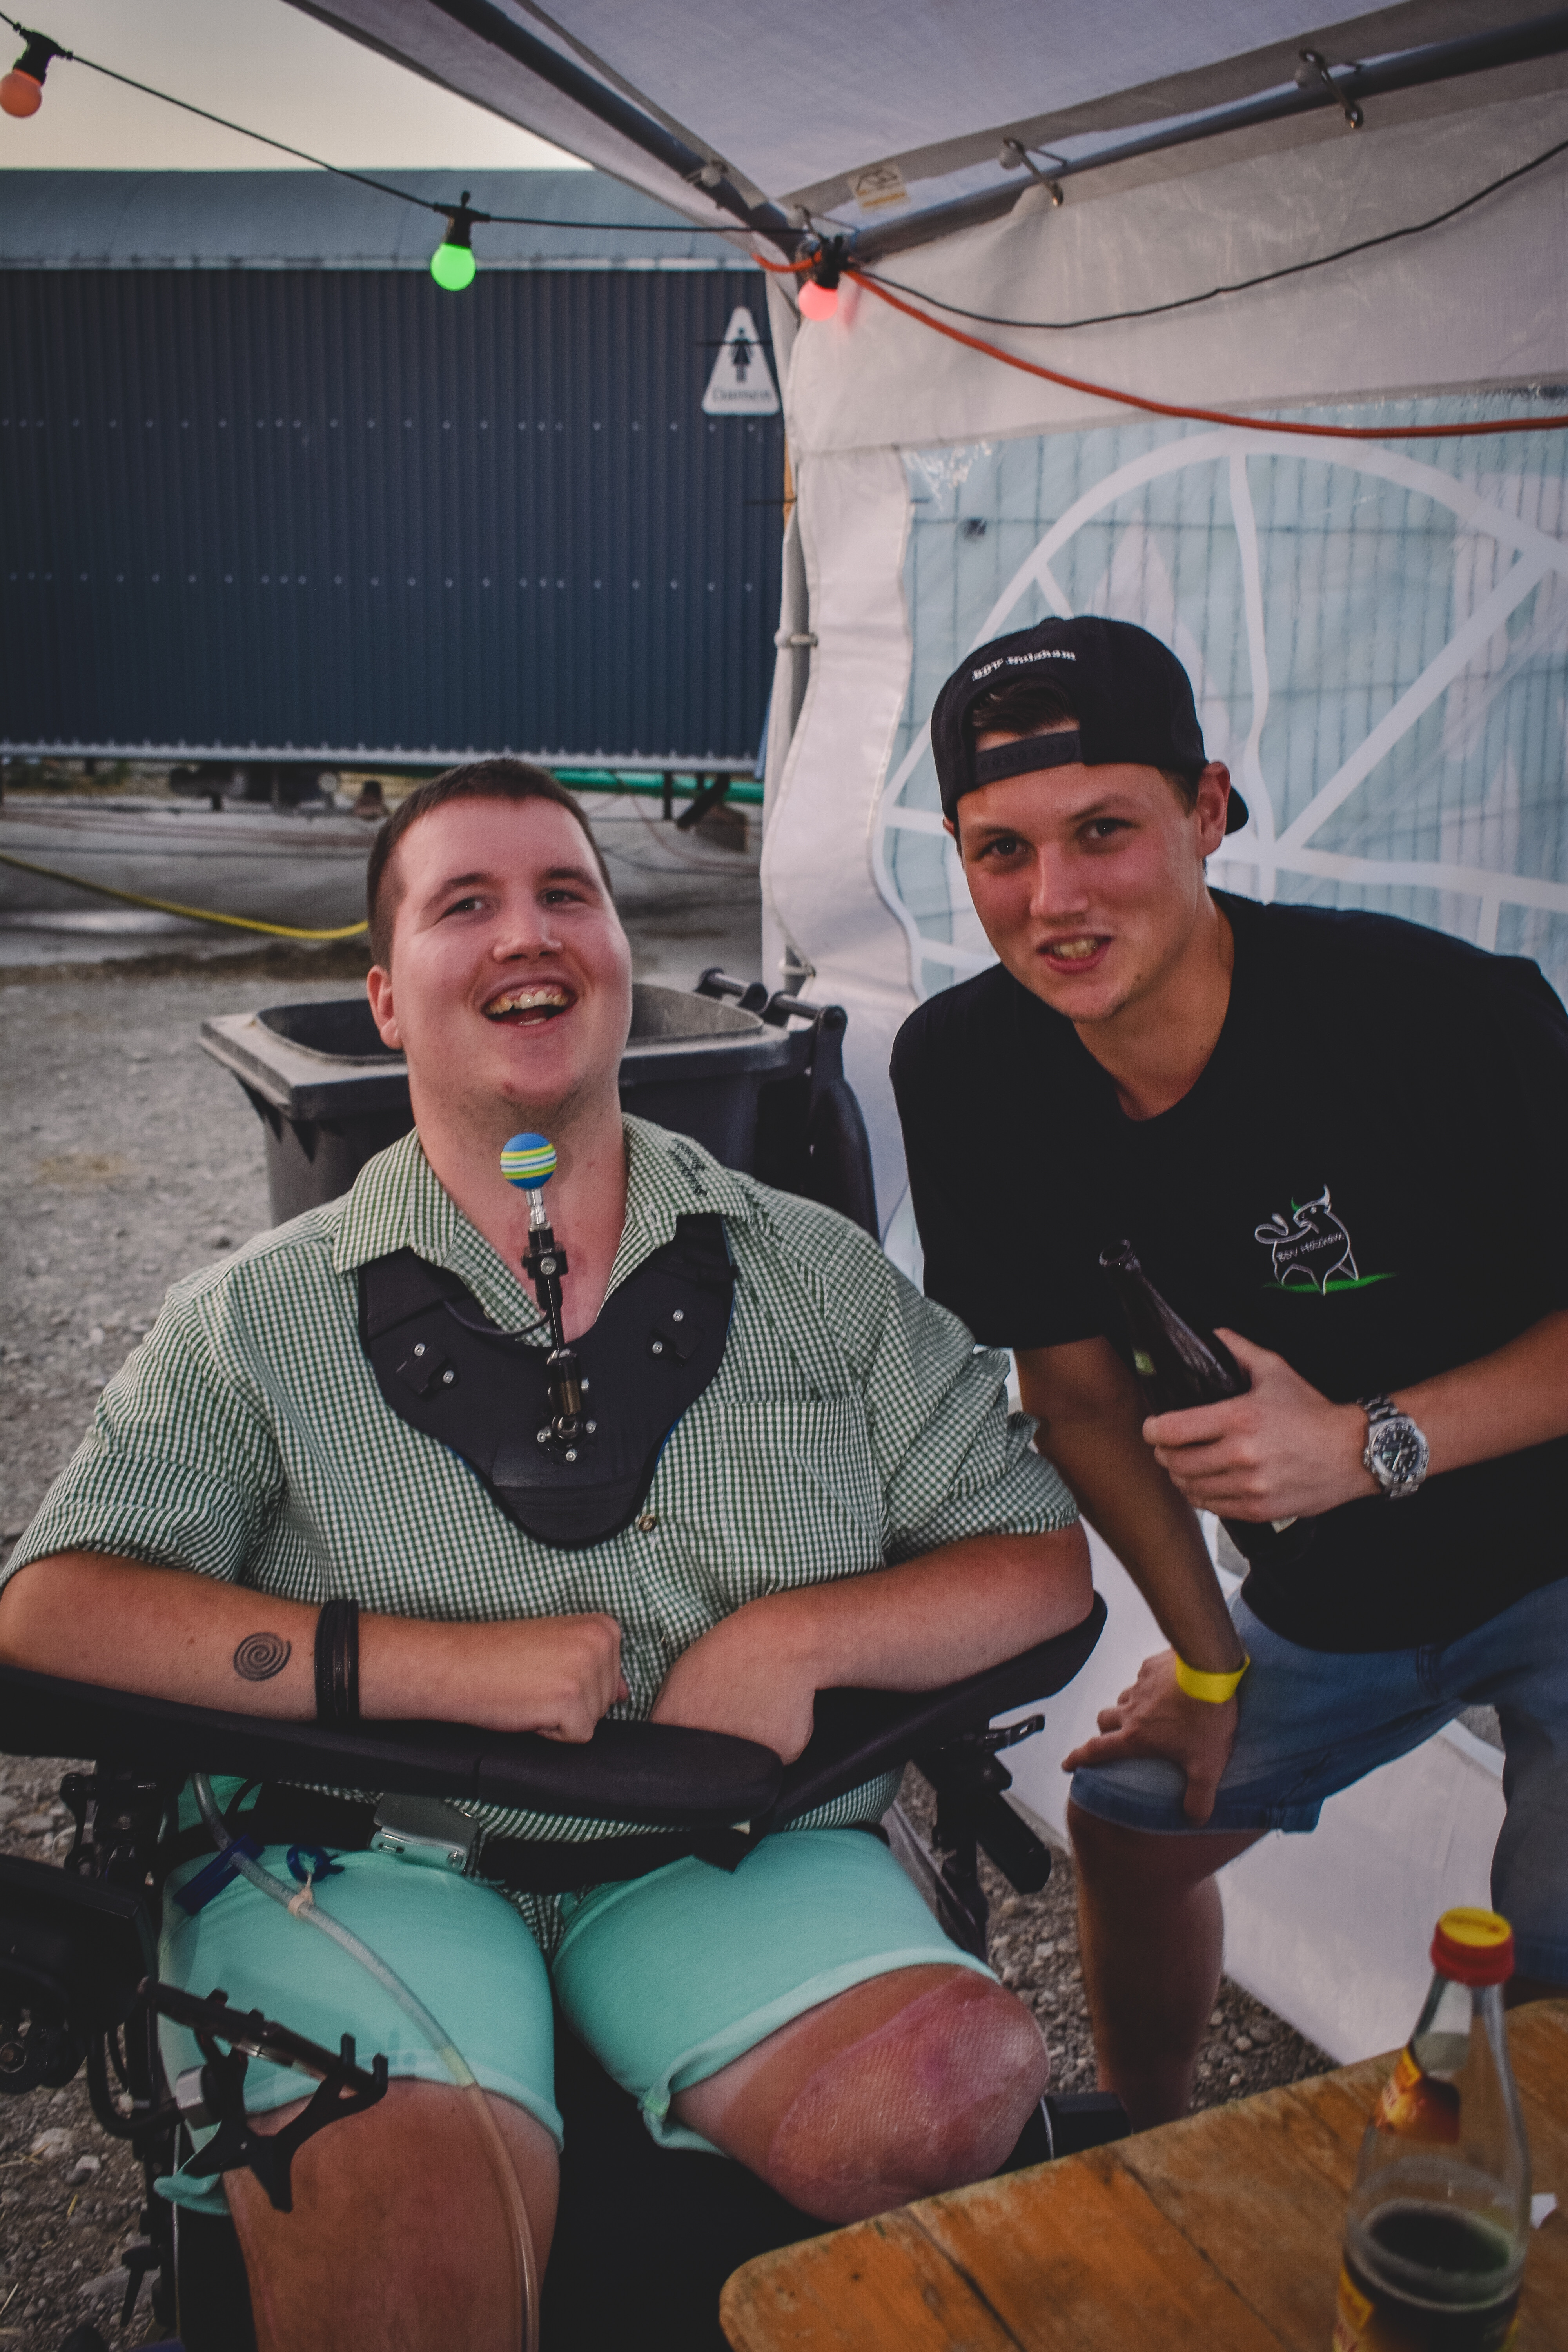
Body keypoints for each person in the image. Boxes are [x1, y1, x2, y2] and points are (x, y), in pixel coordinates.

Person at [0, 758, 1091, 2352]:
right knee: (407, 2258)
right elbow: (54, 1608)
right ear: (387, 999)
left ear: (621, 963)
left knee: (950, 2091)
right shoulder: (256, 1318)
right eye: (467, 904)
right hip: (367, 1854)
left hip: (727, 1845)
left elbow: (1036, 1558)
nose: (529, 933)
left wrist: (799, 1639)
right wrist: (438, 1669)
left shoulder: (819, 1278)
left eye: (567, 894)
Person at [891, 614, 1568, 2130]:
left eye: (1104, 831)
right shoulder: (968, 1069)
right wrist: (1207, 1666)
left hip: (1555, 1550)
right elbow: (1077, 1402)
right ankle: (1148, 2141)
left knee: (1541, 1970)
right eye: (1003, 851)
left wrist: (1368, 1443)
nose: (1055, 901)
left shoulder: (1441, 1018)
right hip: (1345, 1599)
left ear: (1207, 811)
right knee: (1132, 1822)